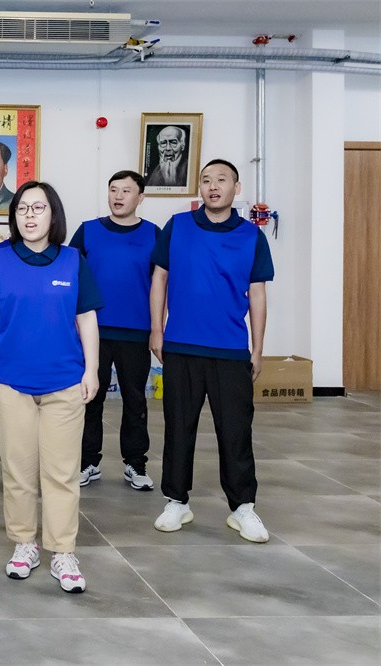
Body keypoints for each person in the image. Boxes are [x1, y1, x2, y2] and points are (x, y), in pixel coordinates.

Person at [0, 180, 103, 593]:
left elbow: (87, 319)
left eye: (38, 208)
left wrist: (92, 370)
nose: (29, 215)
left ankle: (63, 551)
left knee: (62, 473)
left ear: (53, 215)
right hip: (12, 384)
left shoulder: (73, 261)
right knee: (18, 471)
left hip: (65, 383)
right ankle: (24, 543)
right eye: (22, 208)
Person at [150, 159, 274, 543]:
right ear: (199, 188)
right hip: (182, 345)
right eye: (206, 180)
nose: (213, 186)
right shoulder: (177, 226)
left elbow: (257, 294)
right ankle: (176, 501)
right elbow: (159, 278)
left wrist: (257, 349)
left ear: (237, 188)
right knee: (178, 427)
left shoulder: (252, 236)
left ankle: (243, 507)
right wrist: (157, 330)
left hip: (231, 350)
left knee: (235, 431)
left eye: (221, 180)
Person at [69, 170, 158, 491]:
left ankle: (135, 463)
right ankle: (87, 462)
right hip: (93, 331)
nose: (118, 196)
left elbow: (162, 284)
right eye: (113, 190)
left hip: (136, 331)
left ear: (140, 197)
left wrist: (157, 328)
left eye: (126, 191)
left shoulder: (154, 234)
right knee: (89, 397)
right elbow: (70, 277)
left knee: (135, 400)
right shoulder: (88, 231)